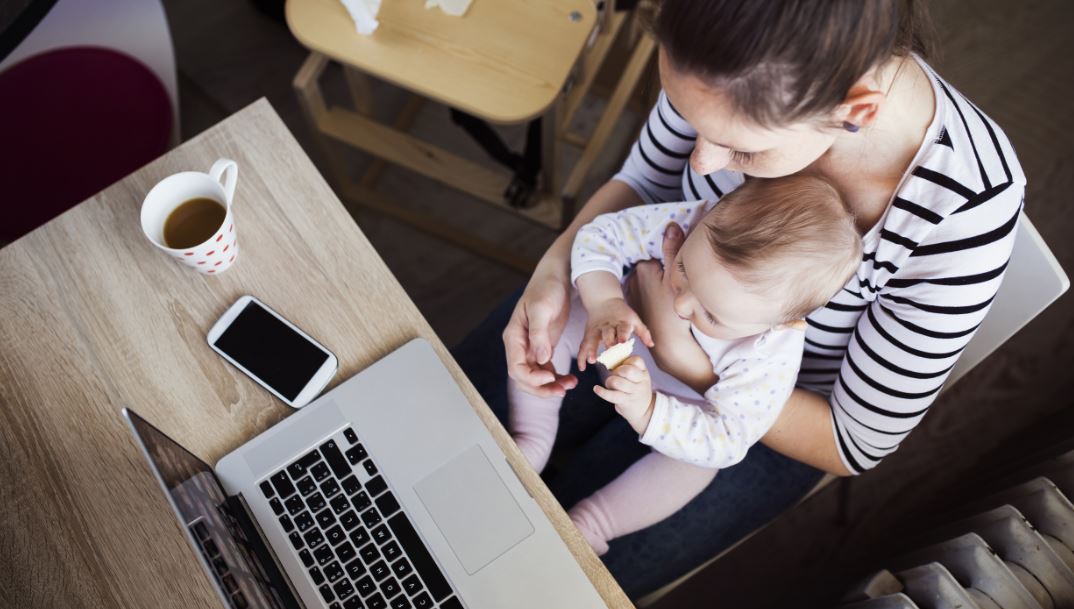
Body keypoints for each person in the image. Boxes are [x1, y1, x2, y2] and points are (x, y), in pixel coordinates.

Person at [453, 0, 1024, 598]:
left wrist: (690, 365)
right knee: (446, 445)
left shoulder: (965, 209)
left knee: (534, 580)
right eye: (692, 120)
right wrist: (554, 270)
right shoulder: (723, 42)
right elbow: (647, 181)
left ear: (855, 110)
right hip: (627, 290)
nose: (703, 161)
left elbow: (852, 439)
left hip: (762, 417)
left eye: (741, 150)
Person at [508, 175, 862, 555]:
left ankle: (594, 523)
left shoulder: (772, 352)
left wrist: (649, 410)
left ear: (780, 323)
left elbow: (728, 437)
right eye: (684, 272)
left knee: (697, 465)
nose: (680, 306)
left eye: (710, 314)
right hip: (613, 332)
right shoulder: (693, 220)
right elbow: (600, 236)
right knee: (555, 323)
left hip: (682, 404)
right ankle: (531, 437)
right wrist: (604, 302)